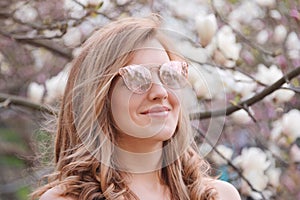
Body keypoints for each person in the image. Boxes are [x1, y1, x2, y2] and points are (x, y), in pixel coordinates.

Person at [31, 15, 241, 200]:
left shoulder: (220, 196)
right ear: (100, 97)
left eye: (169, 73)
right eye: (137, 78)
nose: (160, 91)